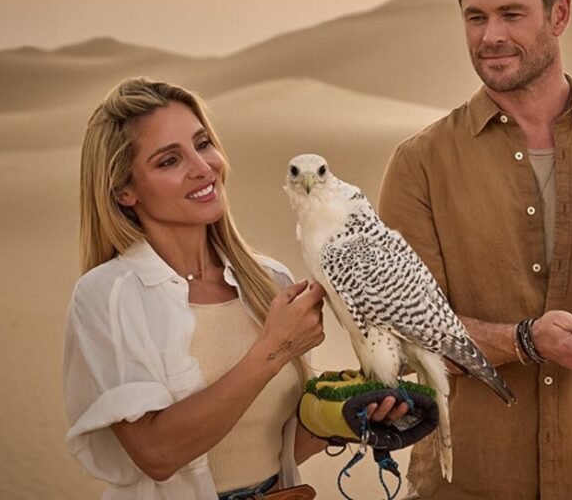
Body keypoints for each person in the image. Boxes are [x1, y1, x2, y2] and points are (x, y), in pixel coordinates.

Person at [377, 0, 572, 499]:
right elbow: (401, 338)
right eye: (475, 18)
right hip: (470, 482)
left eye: (511, 14)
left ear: (560, 13)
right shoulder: (419, 164)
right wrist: (524, 340)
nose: (491, 36)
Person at [62, 77, 407, 499]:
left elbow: (272, 447)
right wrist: (275, 346)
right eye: (169, 161)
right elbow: (157, 454)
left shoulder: (269, 281)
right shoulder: (108, 296)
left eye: (203, 143)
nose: (203, 167)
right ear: (124, 192)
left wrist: (349, 417)